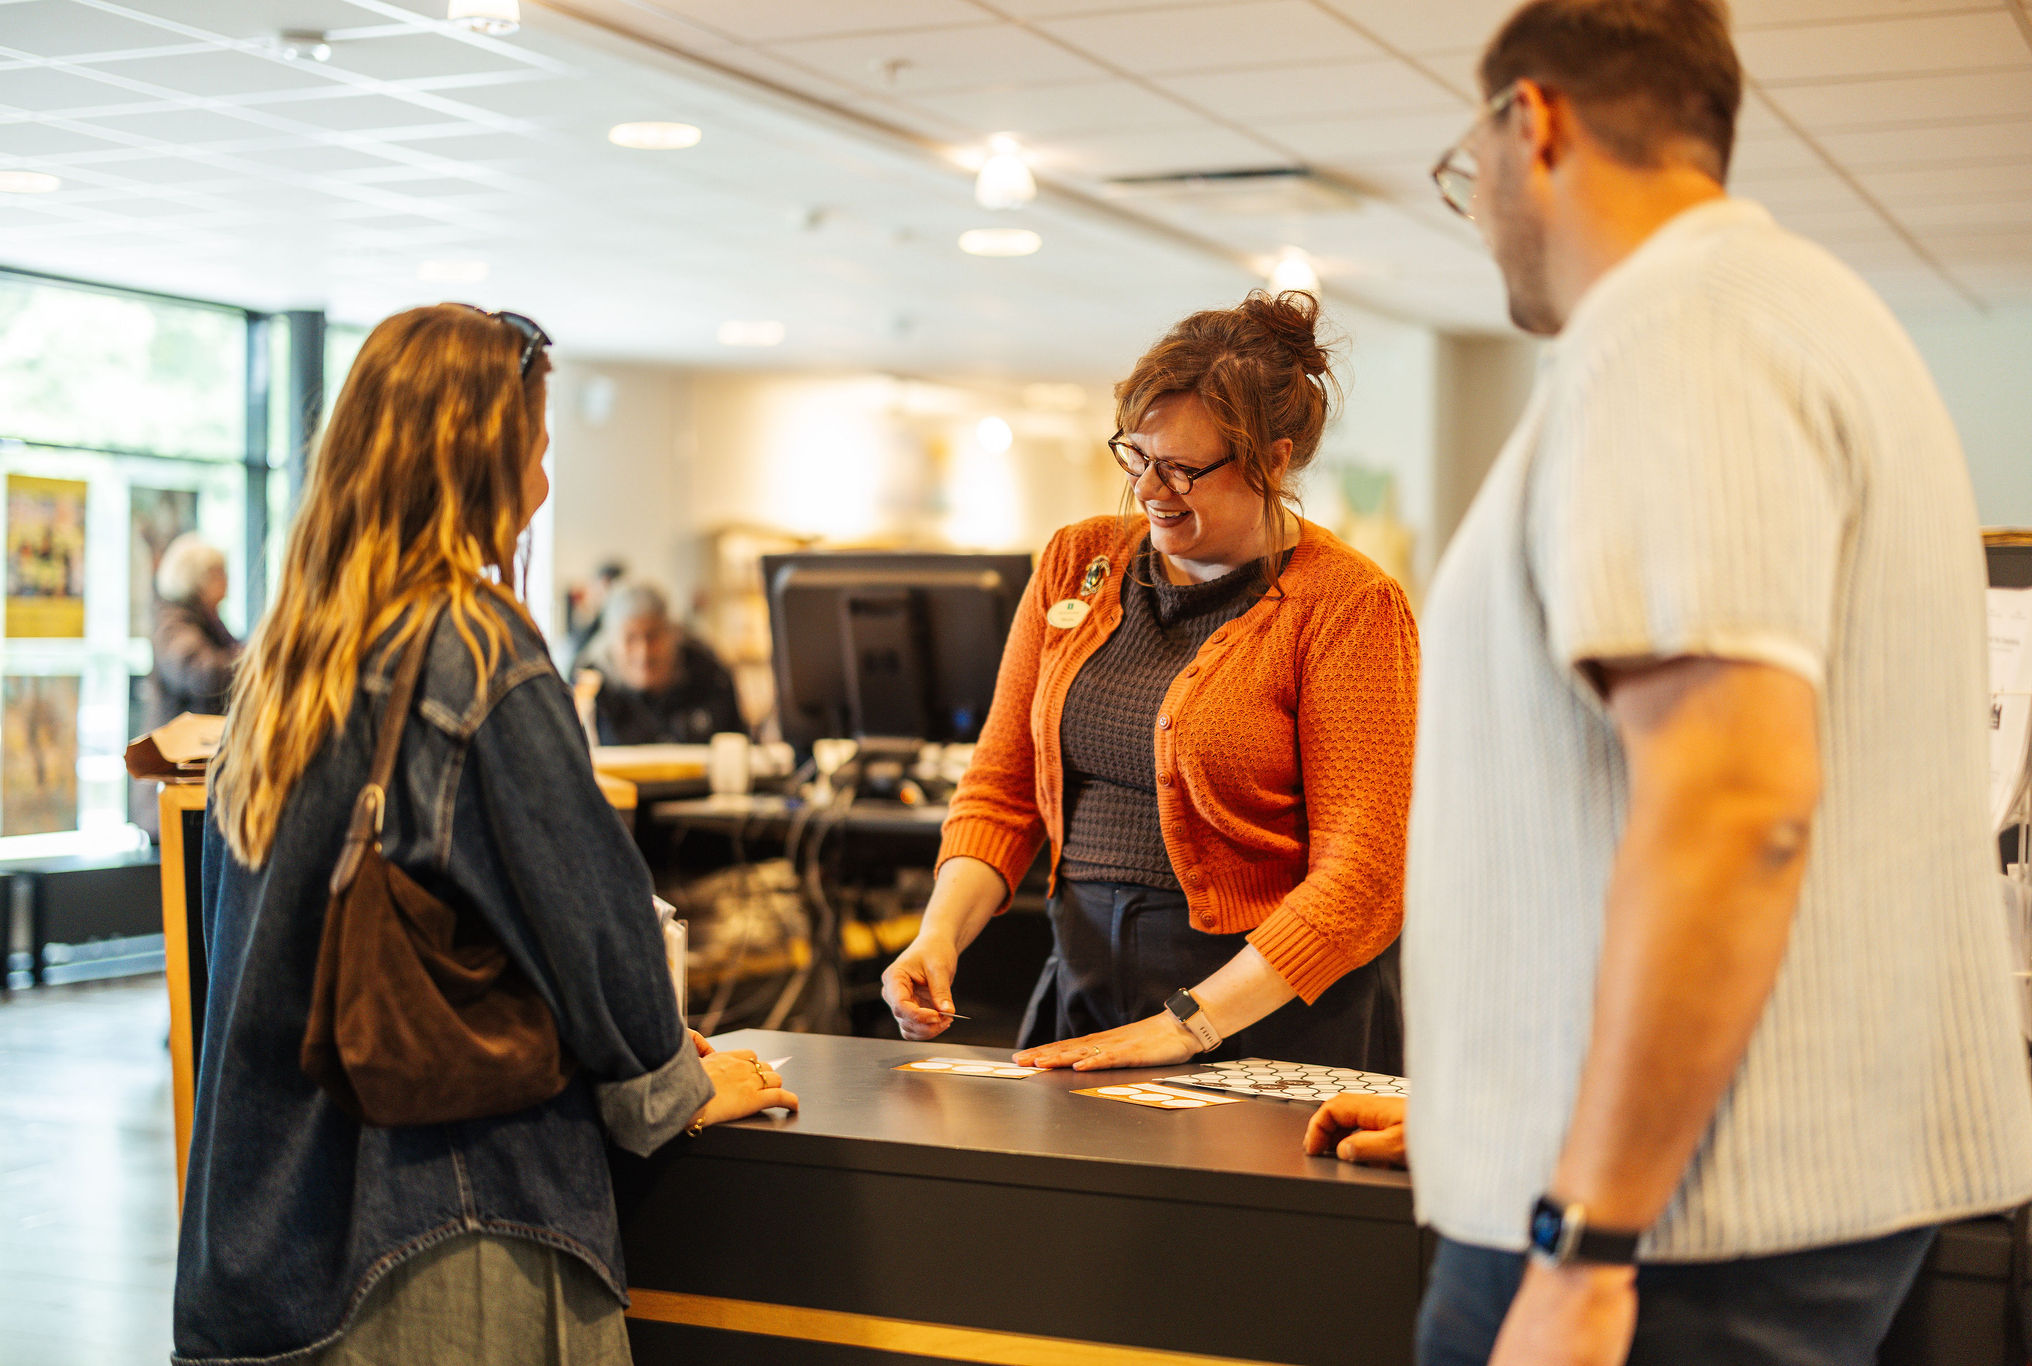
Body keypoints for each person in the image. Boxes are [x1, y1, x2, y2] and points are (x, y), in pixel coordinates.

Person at [1309, 3, 2032, 1364]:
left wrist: (1587, 1225)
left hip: (1670, 1230)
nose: (1478, 215)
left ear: (1536, 123)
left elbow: (1732, 804)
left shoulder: (1670, 334)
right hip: (1722, 1178)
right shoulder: (1806, 316)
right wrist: (1511, 1094)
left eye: (1469, 173)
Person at [175, 304, 797, 1366]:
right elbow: (594, 929)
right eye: (538, 450)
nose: (543, 484)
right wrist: (676, 1079)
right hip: (439, 1230)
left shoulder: (291, 657)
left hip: (266, 1240)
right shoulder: (470, 647)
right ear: (481, 457)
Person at [882, 290, 1419, 1075]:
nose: (1149, 489)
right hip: (1089, 978)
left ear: (1272, 459)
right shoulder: (1078, 562)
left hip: (1265, 1009)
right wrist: (939, 933)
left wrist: (1191, 1024)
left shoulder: (1349, 606)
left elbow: (1365, 877)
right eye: (1136, 456)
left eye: (1182, 469)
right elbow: (1002, 787)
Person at [132, 532, 243, 839]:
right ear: (199, 578)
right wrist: (254, 658)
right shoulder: (174, 622)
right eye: (220, 573)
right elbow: (201, 673)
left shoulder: (205, 620)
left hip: (192, 779)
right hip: (173, 785)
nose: (228, 581)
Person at [580, 582, 746, 745]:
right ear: (611, 644)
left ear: (672, 634)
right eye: (630, 638)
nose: (643, 652)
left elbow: (741, 746)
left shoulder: (711, 676)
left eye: (652, 636)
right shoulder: (589, 688)